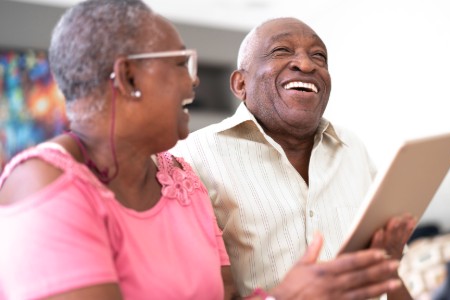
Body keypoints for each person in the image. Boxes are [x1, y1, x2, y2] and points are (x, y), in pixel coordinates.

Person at [0, 1, 405, 300]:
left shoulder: (181, 181)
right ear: (127, 77)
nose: (193, 83)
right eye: (180, 65)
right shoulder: (42, 182)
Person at [171, 17, 417, 299]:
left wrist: (387, 265)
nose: (307, 64)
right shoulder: (190, 158)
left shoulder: (354, 148)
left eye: (319, 56)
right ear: (241, 84)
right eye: (281, 51)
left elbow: (388, 278)